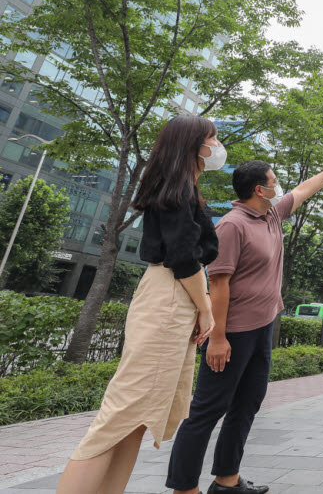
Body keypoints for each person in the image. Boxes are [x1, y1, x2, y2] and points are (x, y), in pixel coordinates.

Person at [57, 116, 224, 494]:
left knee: (135, 420)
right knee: (118, 418)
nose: (217, 146)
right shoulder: (178, 189)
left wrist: (199, 306)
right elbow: (183, 259)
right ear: (194, 144)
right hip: (170, 294)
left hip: (174, 295)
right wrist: (207, 308)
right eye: (213, 138)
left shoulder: (181, 187)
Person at [166, 153, 323, 494]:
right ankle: (183, 487)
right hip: (232, 332)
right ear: (259, 190)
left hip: (263, 326)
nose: (278, 186)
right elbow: (218, 284)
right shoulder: (233, 225)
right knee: (207, 410)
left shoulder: (272, 216)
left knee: (247, 403)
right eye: (273, 182)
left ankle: (227, 480)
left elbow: (304, 190)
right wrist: (217, 338)